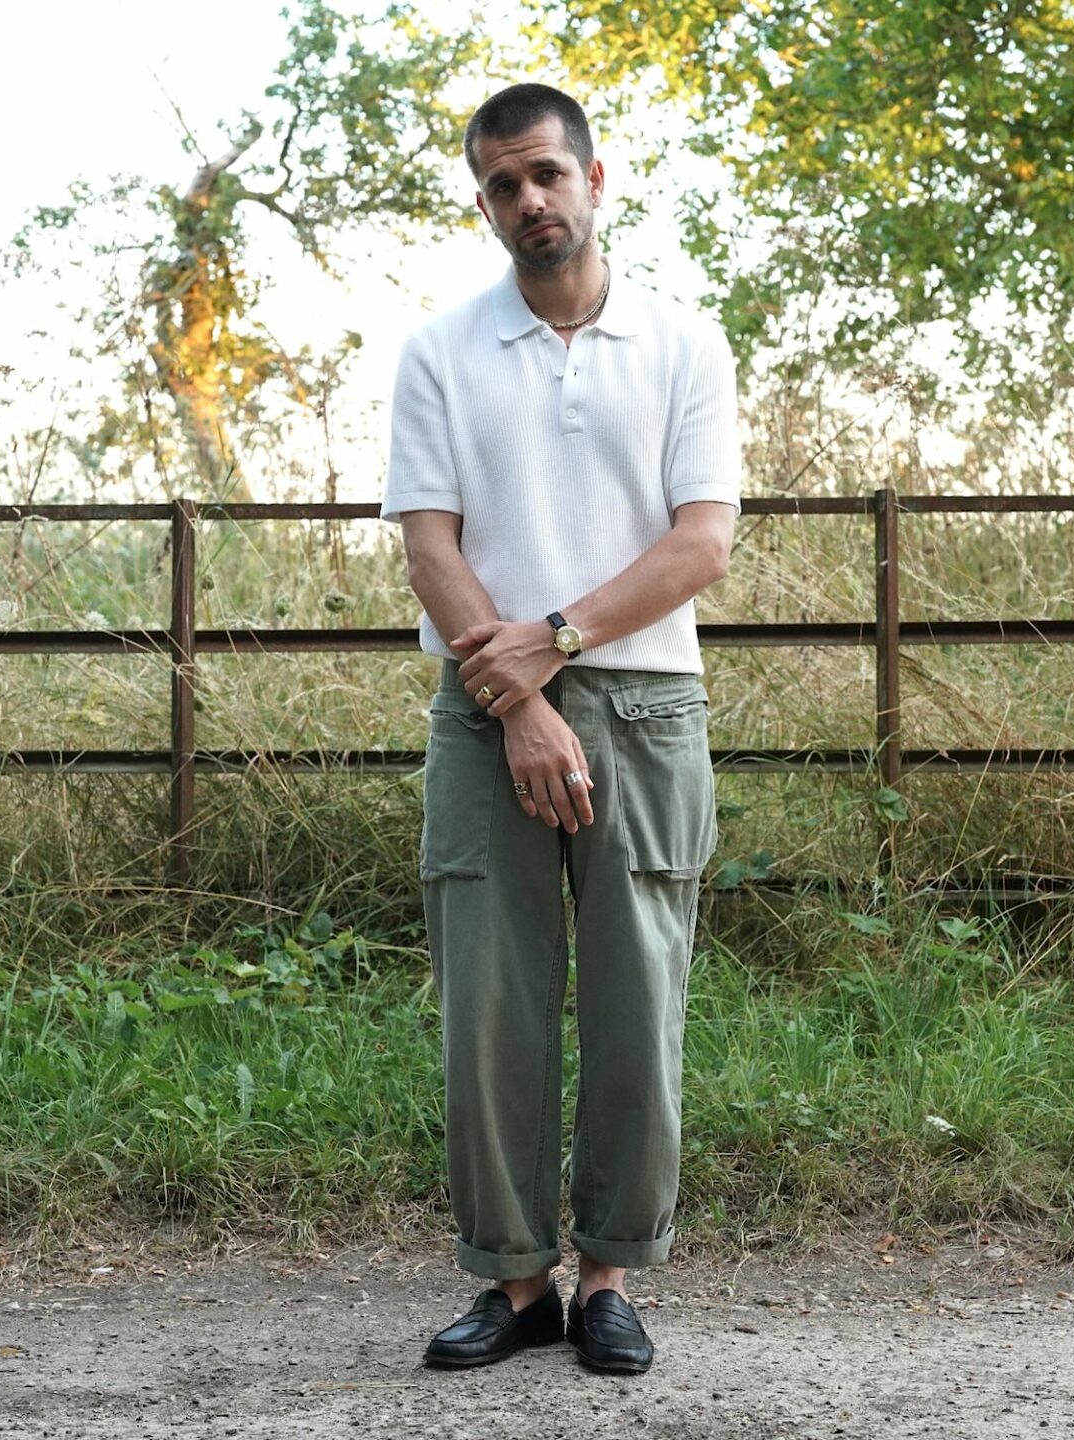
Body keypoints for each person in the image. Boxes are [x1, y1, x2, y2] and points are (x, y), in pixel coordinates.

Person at [380, 82, 740, 1375]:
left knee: (640, 1000)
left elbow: (701, 542)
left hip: (644, 704)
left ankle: (606, 1276)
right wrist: (521, 698)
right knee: (492, 1003)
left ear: (596, 178)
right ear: (482, 202)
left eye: (546, 175)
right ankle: (516, 1280)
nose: (528, 201)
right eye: (500, 185)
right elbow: (429, 547)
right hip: (486, 717)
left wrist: (562, 642)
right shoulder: (439, 352)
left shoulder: (685, 344)